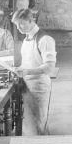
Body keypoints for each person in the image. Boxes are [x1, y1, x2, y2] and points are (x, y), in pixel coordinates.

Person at [10, 7, 57, 135]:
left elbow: (49, 68)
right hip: (27, 85)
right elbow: (29, 62)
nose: (19, 28)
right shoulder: (27, 39)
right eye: (16, 25)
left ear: (31, 21)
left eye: (21, 24)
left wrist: (27, 71)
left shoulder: (45, 39)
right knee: (29, 123)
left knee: (39, 123)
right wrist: (20, 69)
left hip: (39, 86)